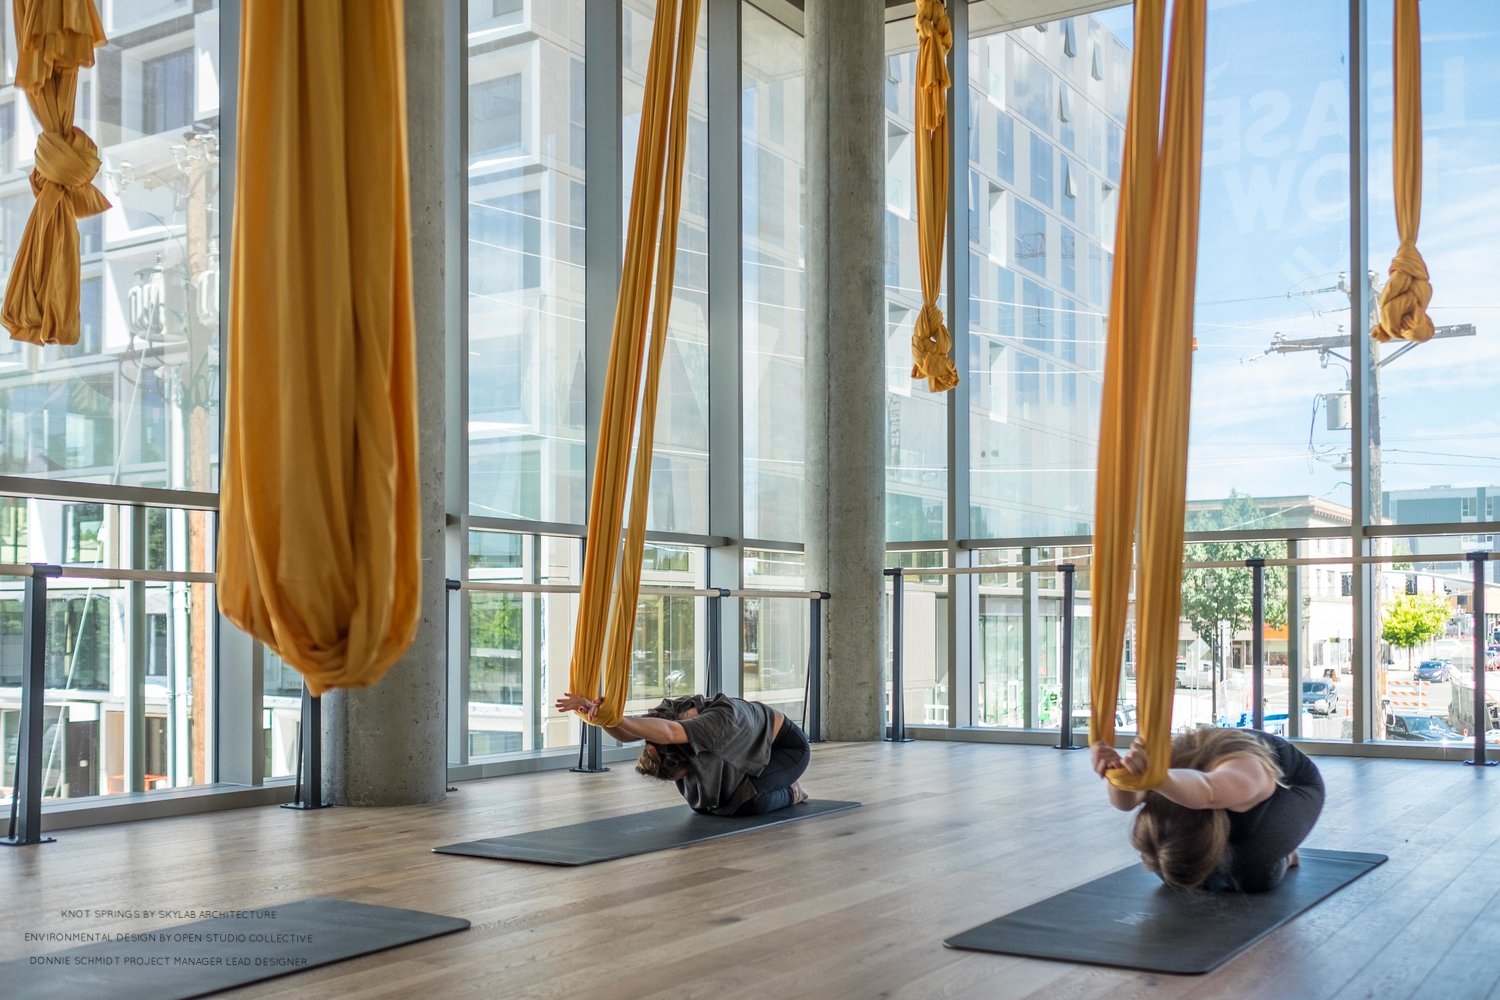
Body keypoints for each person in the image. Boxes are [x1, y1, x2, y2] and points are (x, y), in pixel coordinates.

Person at [1091, 727, 1325, 893]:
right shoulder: (1169, 771)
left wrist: (1158, 779)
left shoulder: (1245, 776)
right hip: (1208, 786)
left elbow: (1208, 790)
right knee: (1173, 868)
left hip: (1290, 786)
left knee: (1253, 874)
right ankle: (1205, 858)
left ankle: (1287, 854)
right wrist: (1117, 774)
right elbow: (1125, 802)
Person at [555, 691, 811, 817]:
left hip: (785, 748)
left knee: (740, 805)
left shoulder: (715, 724)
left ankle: (792, 790)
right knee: (701, 805)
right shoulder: (670, 714)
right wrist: (602, 717)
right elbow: (628, 733)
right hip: (745, 743)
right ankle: (758, 779)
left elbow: (667, 733)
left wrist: (613, 716)